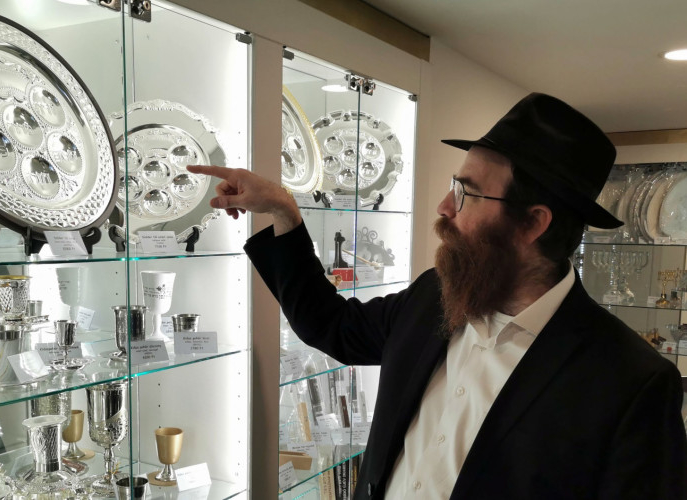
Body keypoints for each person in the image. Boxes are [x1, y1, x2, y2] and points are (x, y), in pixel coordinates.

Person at [187, 93, 687, 499]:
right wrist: (284, 212)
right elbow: (332, 326)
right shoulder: (436, 295)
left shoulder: (630, 382)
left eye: (466, 192)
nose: (445, 206)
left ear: (534, 222)